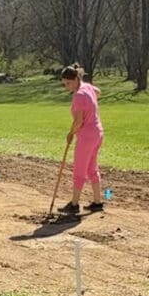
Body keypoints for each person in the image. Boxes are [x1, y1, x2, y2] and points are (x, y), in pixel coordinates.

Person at [58, 63, 104, 215]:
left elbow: (78, 122)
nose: (67, 86)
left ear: (76, 79)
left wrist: (71, 133)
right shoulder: (88, 87)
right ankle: (97, 202)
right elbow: (99, 92)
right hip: (98, 133)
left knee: (80, 170)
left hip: (86, 136)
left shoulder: (78, 96)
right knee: (92, 168)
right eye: (64, 84)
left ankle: (74, 204)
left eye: (68, 83)